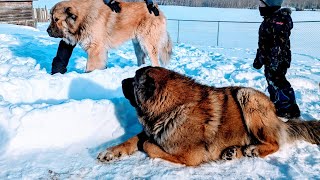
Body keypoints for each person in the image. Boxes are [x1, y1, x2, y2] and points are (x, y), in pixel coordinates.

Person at [51, 0, 159, 75]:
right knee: (68, 36)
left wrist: (149, 2)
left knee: (96, 42)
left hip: (97, 8)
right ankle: (58, 70)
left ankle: (96, 72)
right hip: (83, 7)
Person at [253, 0, 300, 118]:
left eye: (262, 4)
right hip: (270, 59)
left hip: (278, 59)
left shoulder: (278, 21)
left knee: (279, 81)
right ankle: (277, 103)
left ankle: (289, 107)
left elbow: (279, 43)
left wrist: (275, 59)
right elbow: (263, 44)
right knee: (271, 80)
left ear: (271, 5)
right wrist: (259, 58)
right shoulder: (268, 20)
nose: (260, 7)